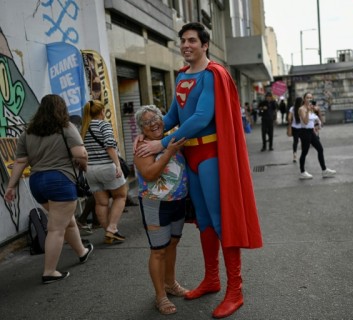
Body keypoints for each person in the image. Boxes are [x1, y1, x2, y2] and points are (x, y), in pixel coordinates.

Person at [135, 22, 262, 319]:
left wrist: (161, 143)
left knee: (221, 220)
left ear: (205, 45)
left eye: (192, 40)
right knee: (203, 220)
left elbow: (203, 115)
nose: (186, 45)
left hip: (210, 154)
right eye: (183, 40)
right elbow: (172, 116)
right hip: (190, 154)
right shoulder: (182, 77)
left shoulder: (212, 75)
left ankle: (235, 290)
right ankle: (212, 279)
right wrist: (149, 131)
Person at [4, 94, 93, 284]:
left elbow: (20, 162)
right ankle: (49, 272)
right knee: (55, 228)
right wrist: (83, 165)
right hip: (60, 181)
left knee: (66, 221)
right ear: (61, 109)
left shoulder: (28, 133)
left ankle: (82, 252)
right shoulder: (66, 128)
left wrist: (11, 186)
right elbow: (80, 154)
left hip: (37, 183)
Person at [134, 105, 189, 315]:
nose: (153, 123)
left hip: (177, 202)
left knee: (173, 243)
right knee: (158, 251)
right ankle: (160, 296)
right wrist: (169, 152)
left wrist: (169, 146)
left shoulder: (169, 139)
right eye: (147, 122)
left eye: (156, 118)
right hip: (155, 205)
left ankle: (171, 284)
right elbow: (149, 174)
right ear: (142, 129)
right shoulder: (143, 148)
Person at [80, 100, 127, 244]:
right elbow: (109, 145)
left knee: (101, 203)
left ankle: (110, 233)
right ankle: (112, 229)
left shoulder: (83, 128)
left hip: (90, 170)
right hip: (107, 166)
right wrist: (117, 165)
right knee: (120, 196)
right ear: (101, 112)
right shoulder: (103, 125)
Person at [297, 92, 336, 179]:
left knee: (320, 149)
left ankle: (324, 170)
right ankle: (302, 172)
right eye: (307, 98)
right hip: (304, 132)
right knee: (304, 152)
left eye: (311, 98)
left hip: (311, 132)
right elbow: (305, 122)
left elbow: (320, 121)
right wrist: (307, 110)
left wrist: (318, 111)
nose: (309, 99)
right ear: (304, 99)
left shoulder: (312, 109)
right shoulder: (301, 109)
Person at [287, 97, 303, 163]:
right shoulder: (302, 108)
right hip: (302, 128)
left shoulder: (292, 108)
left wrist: (290, 122)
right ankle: (303, 155)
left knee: (295, 142)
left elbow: (289, 118)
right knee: (303, 141)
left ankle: (294, 156)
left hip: (294, 128)